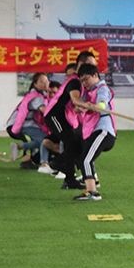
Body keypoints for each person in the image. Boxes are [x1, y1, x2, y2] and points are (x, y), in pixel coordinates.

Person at [43, 52, 97, 189]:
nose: (94, 67)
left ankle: (69, 180)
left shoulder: (79, 81)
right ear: (82, 64)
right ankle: (56, 164)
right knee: (71, 142)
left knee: (74, 143)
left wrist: (83, 108)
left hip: (64, 116)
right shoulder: (75, 81)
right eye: (91, 64)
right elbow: (75, 99)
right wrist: (88, 105)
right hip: (55, 115)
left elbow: (74, 104)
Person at [69, 63, 116, 201]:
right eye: (82, 81)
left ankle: (92, 192)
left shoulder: (102, 88)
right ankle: (92, 187)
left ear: (95, 75)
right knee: (85, 158)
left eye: (86, 79)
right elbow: (80, 108)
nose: (84, 83)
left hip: (103, 131)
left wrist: (96, 106)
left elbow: (102, 103)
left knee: (86, 159)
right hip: (94, 131)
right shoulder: (89, 91)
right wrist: (82, 107)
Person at [6, 72, 50, 169]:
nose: (45, 83)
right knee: (45, 140)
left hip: (26, 123)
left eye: (46, 81)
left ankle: (19, 147)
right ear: (35, 84)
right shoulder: (36, 97)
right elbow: (44, 110)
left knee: (41, 141)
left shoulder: (41, 94)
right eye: (42, 81)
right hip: (24, 124)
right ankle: (44, 163)